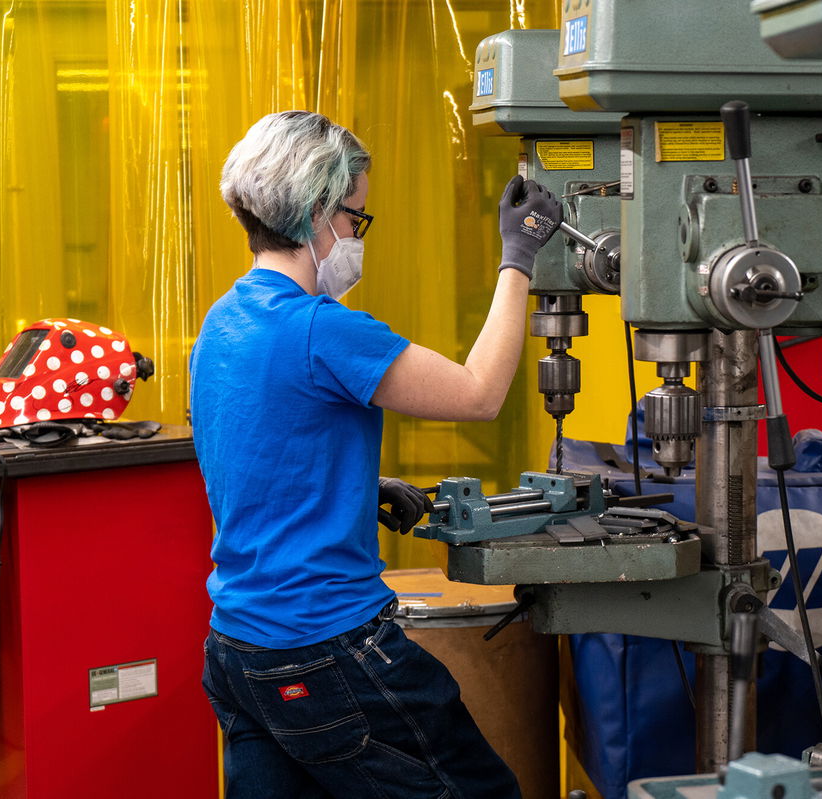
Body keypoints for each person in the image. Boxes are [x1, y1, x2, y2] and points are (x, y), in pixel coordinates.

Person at [189, 109, 561, 798]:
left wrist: (357, 483)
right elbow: (480, 394)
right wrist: (520, 256)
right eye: (357, 219)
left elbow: (254, 450)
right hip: (324, 649)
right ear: (318, 214)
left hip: (237, 649)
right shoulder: (322, 330)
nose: (357, 236)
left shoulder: (225, 320)